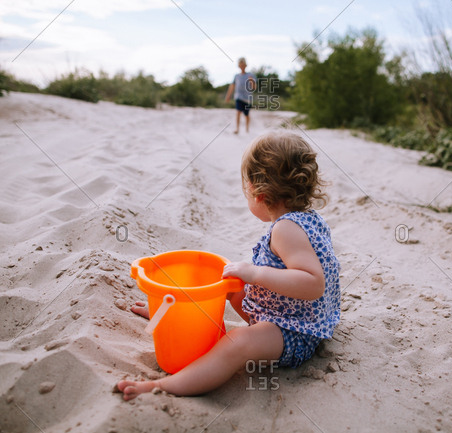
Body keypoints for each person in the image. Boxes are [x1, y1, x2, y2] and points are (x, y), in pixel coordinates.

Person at [117, 132, 341, 399]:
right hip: (286, 312)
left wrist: (256, 273)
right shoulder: (306, 218)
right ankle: (175, 320)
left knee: (239, 343)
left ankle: (163, 385)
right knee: (226, 285)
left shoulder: (286, 229)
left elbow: (313, 284)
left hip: (297, 331)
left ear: (258, 193)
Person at [225, 57, 256, 134]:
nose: (242, 66)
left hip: (247, 98)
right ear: (239, 66)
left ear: (245, 65)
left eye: (243, 65)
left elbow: (254, 88)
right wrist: (228, 96)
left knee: (247, 114)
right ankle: (237, 129)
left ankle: (247, 128)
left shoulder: (250, 75)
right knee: (238, 112)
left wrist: (252, 81)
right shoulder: (236, 76)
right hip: (238, 97)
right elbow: (232, 86)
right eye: (240, 65)